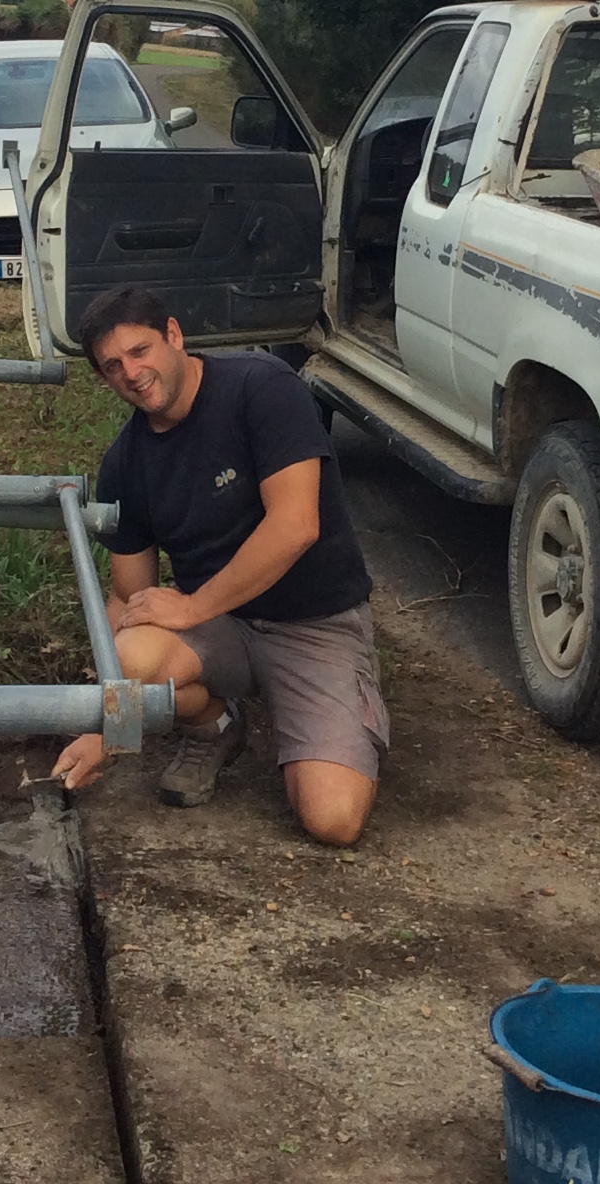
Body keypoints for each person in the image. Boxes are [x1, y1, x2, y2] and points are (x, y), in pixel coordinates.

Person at [48, 283, 386, 846]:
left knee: (333, 820)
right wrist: (104, 723)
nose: (131, 373)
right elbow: (128, 598)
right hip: (219, 631)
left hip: (314, 624)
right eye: (111, 366)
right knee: (134, 651)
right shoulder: (125, 463)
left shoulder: (262, 389)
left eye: (140, 351)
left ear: (174, 336)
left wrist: (193, 605)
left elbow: (296, 524)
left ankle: (334, 717)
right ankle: (215, 726)